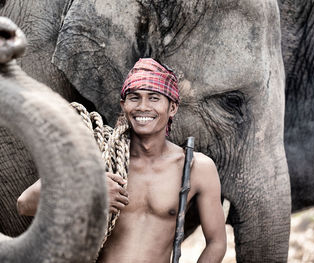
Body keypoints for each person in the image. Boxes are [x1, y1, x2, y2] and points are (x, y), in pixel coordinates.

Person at [17, 58, 226, 263]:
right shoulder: (98, 157)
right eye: (134, 97)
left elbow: (216, 242)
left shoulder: (197, 168)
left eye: (154, 98)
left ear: (172, 108)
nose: (143, 106)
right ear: (123, 105)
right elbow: (25, 204)